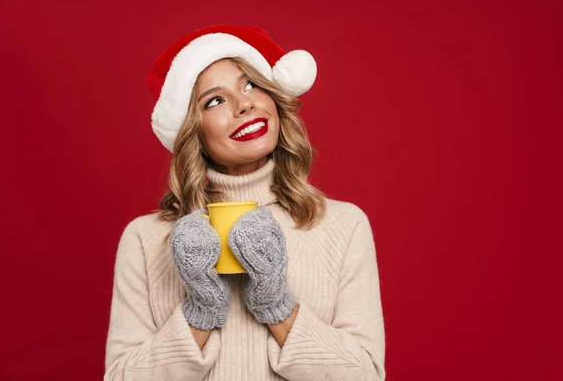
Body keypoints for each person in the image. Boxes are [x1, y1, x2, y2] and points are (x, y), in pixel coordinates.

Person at [104, 24, 386, 381]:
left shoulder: (342, 226)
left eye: (251, 84)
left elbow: (365, 375)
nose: (244, 104)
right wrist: (200, 313)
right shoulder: (146, 240)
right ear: (193, 129)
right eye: (215, 100)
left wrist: (277, 305)